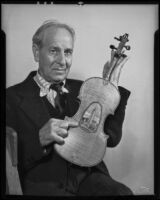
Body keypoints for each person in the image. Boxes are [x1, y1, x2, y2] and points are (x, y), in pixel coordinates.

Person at [6, 20, 133, 196]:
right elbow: (8, 161)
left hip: (89, 178)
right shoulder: (10, 98)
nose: (62, 61)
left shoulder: (86, 89)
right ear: (36, 52)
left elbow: (111, 138)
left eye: (68, 52)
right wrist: (39, 139)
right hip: (43, 182)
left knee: (121, 193)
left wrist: (111, 89)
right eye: (53, 51)